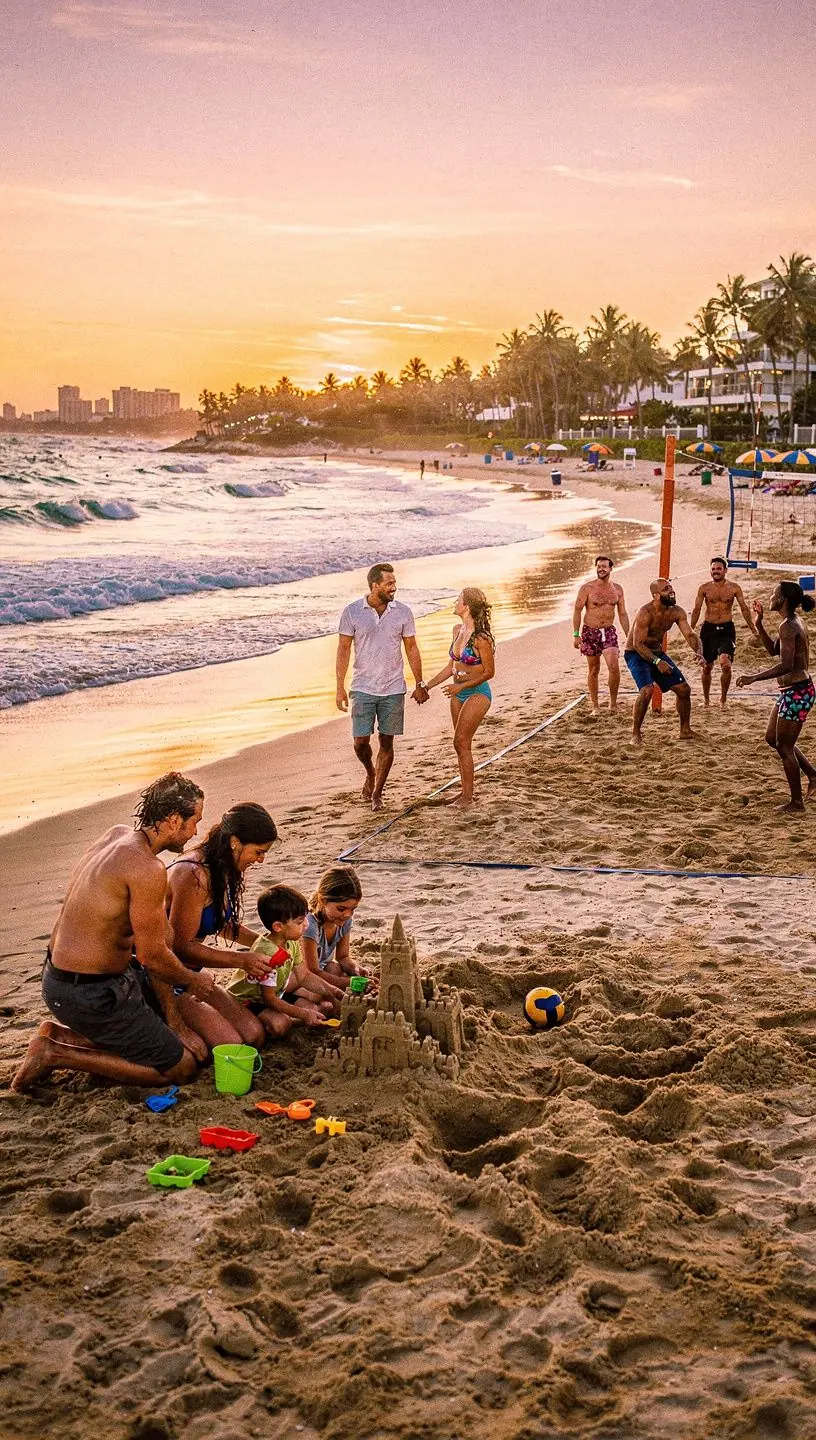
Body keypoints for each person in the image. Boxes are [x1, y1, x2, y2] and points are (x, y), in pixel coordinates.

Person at [12, 773, 210, 1093]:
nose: (196, 831)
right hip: (88, 993)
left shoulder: (116, 835)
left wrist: (174, 1021)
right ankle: (53, 1053)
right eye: (194, 822)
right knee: (181, 1068)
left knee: (156, 1030)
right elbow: (152, 956)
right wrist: (193, 981)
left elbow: (157, 940)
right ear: (174, 820)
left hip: (60, 978)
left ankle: (59, 1035)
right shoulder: (147, 868)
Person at [163, 802, 279, 1053]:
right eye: (258, 852)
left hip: (194, 973)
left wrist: (266, 943)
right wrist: (242, 960)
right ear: (235, 842)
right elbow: (180, 946)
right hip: (165, 976)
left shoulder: (224, 866)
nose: (261, 860)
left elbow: (219, 923)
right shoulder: (194, 873)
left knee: (254, 1035)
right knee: (232, 1045)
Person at [336, 563, 427, 811]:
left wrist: (419, 683)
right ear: (374, 585)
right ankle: (370, 771)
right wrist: (339, 687)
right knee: (360, 742)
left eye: (394, 582)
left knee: (387, 742)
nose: (394, 587)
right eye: (389, 583)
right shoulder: (353, 612)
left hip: (393, 687)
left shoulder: (403, 612)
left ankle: (377, 792)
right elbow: (343, 649)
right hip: (362, 686)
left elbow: (411, 648)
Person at [736, 582, 816, 812]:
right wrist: (758, 624)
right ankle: (813, 776)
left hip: (798, 692)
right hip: (790, 691)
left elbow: (786, 665)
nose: (770, 597)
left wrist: (754, 677)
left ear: (782, 599)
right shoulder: (788, 622)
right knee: (773, 738)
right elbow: (773, 650)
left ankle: (797, 803)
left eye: (774, 594)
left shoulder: (789, 625)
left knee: (784, 747)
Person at [225, 884, 344, 1037]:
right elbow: (269, 1000)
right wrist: (304, 1014)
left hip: (275, 995)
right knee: (280, 1025)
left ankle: (292, 1017)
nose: (306, 924)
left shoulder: (291, 942)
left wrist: (332, 990)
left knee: (316, 1009)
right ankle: (280, 1020)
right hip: (249, 1001)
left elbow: (304, 976)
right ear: (278, 927)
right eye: (300, 922)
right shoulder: (267, 954)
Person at [425, 587, 496, 808]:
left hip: (477, 692)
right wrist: (427, 686)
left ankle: (467, 798)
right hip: (458, 693)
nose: (455, 603)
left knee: (460, 742)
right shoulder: (457, 630)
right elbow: (451, 667)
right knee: (461, 745)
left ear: (466, 606)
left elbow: (489, 672)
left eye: (458, 600)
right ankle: (465, 792)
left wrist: (461, 687)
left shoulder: (481, 638)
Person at [623, 579, 702, 746]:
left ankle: (685, 730)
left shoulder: (676, 612)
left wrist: (699, 652)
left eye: (671, 587)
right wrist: (657, 661)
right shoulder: (645, 612)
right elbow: (638, 644)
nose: (671, 591)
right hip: (636, 653)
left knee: (684, 689)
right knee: (647, 690)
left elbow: (690, 634)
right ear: (656, 595)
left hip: (656, 652)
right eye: (666, 589)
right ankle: (635, 734)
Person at [690, 556, 756, 707]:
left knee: (726, 665)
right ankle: (706, 700)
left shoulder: (734, 588)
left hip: (726, 630)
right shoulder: (704, 588)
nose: (716, 571)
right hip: (708, 630)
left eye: (719, 569)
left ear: (725, 570)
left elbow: (744, 609)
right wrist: (690, 630)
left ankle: (723, 700)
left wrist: (753, 629)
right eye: (713, 569)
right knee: (707, 667)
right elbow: (696, 610)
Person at [572, 556, 630, 715]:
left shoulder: (617, 589)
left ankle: (613, 703)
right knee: (594, 669)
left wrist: (629, 635)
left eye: (604, 566)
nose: (601, 569)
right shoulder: (587, 588)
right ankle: (595, 706)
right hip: (590, 632)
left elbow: (622, 614)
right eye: (598, 566)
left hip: (608, 631)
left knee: (613, 666)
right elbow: (577, 610)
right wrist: (576, 634)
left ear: (611, 568)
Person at [302, 867, 365, 989]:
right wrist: (348, 983)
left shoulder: (344, 920)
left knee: (334, 968)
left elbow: (342, 957)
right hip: (301, 976)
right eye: (341, 909)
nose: (347, 914)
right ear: (322, 900)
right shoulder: (310, 924)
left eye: (353, 909)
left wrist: (357, 971)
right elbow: (312, 971)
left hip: (322, 969)